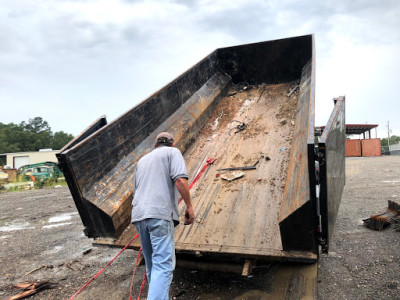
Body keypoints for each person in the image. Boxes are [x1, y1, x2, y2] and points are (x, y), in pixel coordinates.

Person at [131, 132, 195, 300]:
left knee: (152, 265)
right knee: (163, 265)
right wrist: (189, 206)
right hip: (159, 214)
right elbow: (180, 181)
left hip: (139, 215)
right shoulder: (172, 153)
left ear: (155, 146)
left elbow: (136, 191)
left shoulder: (142, 161)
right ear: (172, 144)